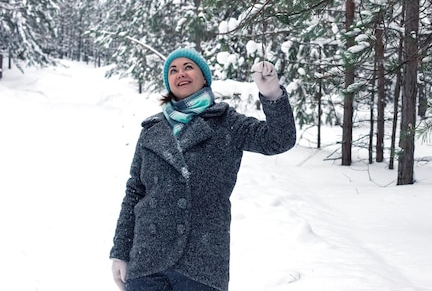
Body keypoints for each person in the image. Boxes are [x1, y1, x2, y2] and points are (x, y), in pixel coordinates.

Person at [110, 47, 296, 291]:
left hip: (202, 264)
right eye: (173, 70)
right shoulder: (152, 129)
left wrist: (272, 94)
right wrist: (121, 251)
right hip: (147, 262)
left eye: (188, 67)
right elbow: (135, 191)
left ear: (204, 77)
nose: (180, 74)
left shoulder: (227, 122)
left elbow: (279, 139)